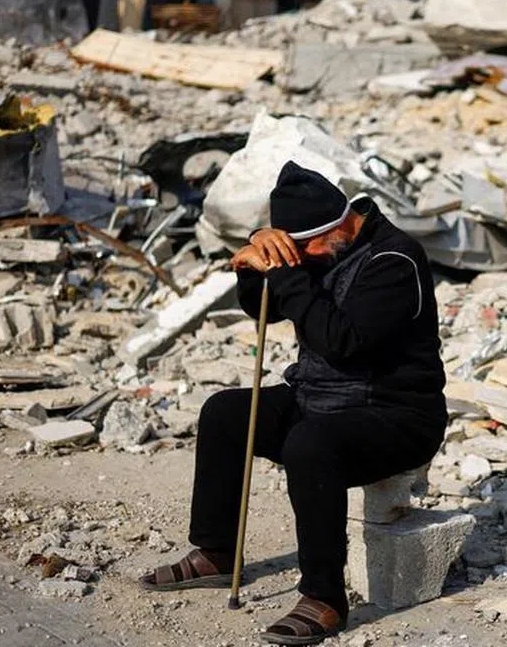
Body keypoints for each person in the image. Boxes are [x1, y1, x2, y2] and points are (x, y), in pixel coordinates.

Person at [140, 162, 447, 646]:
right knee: (225, 414)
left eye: (306, 249)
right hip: (321, 397)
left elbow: (340, 340)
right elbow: (267, 304)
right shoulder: (322, 246)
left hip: (397, 414)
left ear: (341, 225)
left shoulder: (396, 260)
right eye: (295, 250)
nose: (304, 259)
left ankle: (324, 598)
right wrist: (253, 268)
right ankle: (217, 553)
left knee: (311, 444)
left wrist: (285, 268)